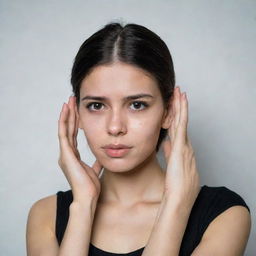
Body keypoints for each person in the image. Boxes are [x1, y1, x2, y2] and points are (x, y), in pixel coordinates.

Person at [26, 22, 251, 256]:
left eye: (137, 105)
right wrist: (83, 207)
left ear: (169, 112)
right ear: (77, 114)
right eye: (96, 105)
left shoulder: (224, 214)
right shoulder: (46, 216)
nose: (115, 127)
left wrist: (175, 206)